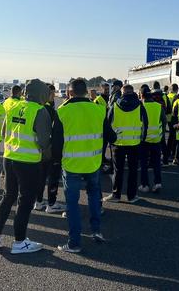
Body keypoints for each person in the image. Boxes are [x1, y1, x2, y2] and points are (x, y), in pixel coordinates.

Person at [52, 78, 117, 252]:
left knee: (72, 204)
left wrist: (56, 162)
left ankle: (74, 242)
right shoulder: (98, 110)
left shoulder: (62, 111)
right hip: (93, 164)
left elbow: (56, 143)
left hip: (71, 165)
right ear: (87, 92)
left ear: (69, 93)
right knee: (94, 197)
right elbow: (112, 137)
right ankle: (96, 231)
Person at [0, 79, 52, 254]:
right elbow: (44, 141)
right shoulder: (40, 111)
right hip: (29, 162)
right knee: (25, 202)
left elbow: (3, 133)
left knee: (8, 196)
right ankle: (19, 241)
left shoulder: (13, 107)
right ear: (41, 94)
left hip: (9, 158)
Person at [104, 84, 148, 203]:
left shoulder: (115, 105)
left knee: (118, 170)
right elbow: (145, 124)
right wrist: (141, 139)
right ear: (133, 92)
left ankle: (116, 195)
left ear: (122, 93)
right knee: (133, 170)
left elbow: (107, 124)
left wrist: (110, 140)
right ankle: (131, 196)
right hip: (134, 143)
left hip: (118, 143)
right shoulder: (140, 106)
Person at [34, 84, 65, 214]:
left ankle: (39, 201)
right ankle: (51, 203)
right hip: (49, 149)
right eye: (51, 93)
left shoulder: (37, 108)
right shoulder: (48, 110)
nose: (53, 96)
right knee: (52, 177)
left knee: (40, 177)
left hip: (38, 149)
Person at [138, 90, 166, 193]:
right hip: (156, 139)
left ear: (142, 96)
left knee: (144, 163)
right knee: (157, 163)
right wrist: (161, 135)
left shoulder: (141, 107)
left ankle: (144, 185)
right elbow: (164, 121)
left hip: (144, 139)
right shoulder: (158, 106)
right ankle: (157, 183)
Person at [165, 83, 179, 164]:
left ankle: (168, 152)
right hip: (173, 118)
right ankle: (172, 153)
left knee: (170, 136)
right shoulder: (176, 97)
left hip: (166, 117)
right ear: (177, 89)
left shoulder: (167, 96)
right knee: (173, 136)